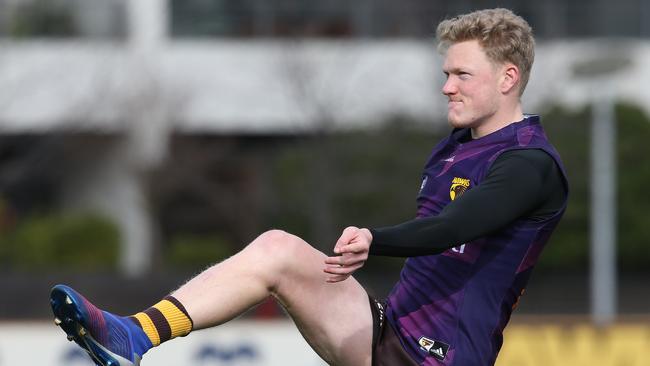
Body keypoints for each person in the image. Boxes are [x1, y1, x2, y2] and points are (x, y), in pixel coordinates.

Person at [49, 8, 568, 366]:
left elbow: (457, 225)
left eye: (462, 74)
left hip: (441, 357)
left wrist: (375, 239)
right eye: (446, 72)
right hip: (385, 334)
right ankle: (132, 336)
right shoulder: (456, 146)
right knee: (278, 249)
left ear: (507, 78)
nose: (447, 85)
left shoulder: (529, 164)